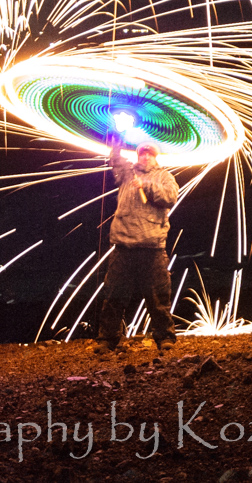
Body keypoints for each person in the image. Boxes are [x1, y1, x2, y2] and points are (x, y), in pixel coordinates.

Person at [95, 138, 181, 350]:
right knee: (114, 294)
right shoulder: (127, 173)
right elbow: (115, 160)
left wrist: (147, 185)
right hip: (123, 246)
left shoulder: (164, 176)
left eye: (149, 153)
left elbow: (170, 197)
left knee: (158, 297)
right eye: (141, 152)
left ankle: (165, 338)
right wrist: (116, 140)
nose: (145, 156)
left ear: (155, 156)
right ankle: (107, 339)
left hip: (152, 247)